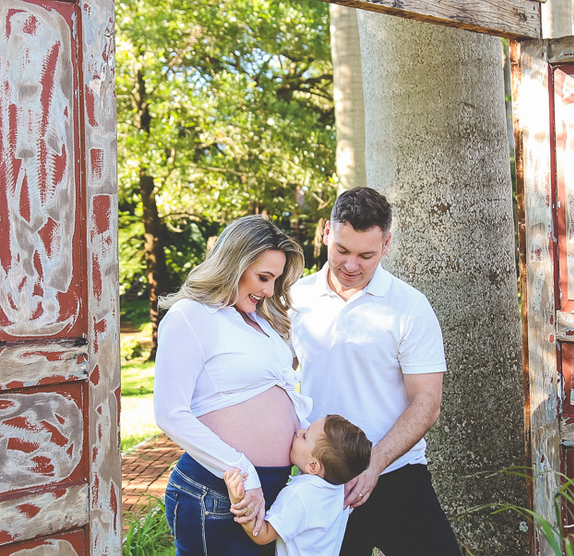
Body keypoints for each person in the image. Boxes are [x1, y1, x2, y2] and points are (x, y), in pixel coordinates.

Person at [290, 186, 459, 555]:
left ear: (386, 244)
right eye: (342, 250)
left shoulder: (411, 307)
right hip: (322, 481)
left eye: (366, 255)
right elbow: (277, 383)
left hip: (396, 472)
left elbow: (427, 403)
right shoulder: (295, 299)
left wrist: (374, 464)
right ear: (327, 233)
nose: (351, 265)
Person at [154, 215, 309, 555]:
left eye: (275, 280)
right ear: (233, 263)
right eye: (263, 277)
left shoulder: (258, 320)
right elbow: (169, 414)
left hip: (270, 490)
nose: (269, 290)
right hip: (218, 493)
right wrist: (243, 471)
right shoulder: (190, 315)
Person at [223, 414, 372, 556]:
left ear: (313, 466)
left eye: (305, 436)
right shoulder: (338, 486)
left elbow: (263, 534)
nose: (299, 431)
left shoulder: (300, 495)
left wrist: (239, 500)